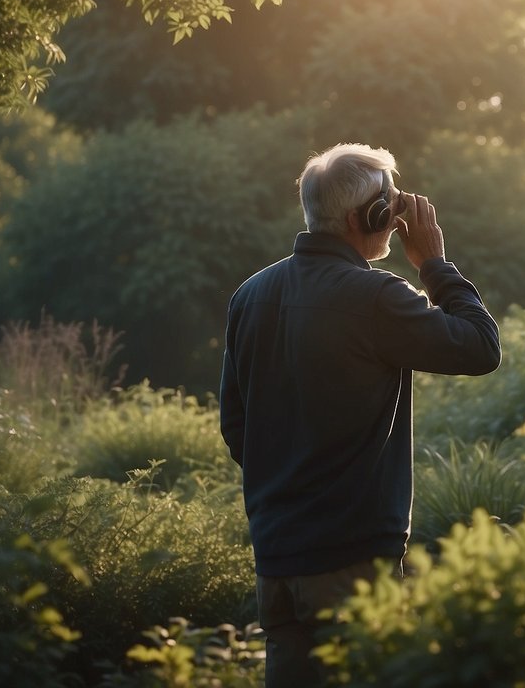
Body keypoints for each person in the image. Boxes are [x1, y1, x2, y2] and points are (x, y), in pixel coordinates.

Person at [219, 143, 501, 687]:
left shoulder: (248, 296)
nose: (395, 221)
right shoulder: (375, 297)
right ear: (361, 218)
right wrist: (436, 265)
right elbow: (480, 348)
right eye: (388, 208)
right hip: (352, 561)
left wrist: (286, 483)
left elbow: (237, 427)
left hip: (276, 558)